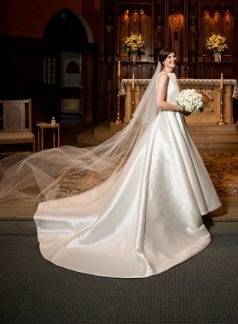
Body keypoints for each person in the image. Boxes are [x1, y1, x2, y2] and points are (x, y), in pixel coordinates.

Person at [0, 50, 221, 277]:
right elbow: (159, 103)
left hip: (176, 125)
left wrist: (185, 108)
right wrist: (181, 108)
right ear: (161, 61)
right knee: (162, 166)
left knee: (179, 166)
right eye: (169, 58)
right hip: (165, 125)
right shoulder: (163, 77)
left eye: (175, 57)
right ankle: (170, 212)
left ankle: (182, 210)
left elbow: (171, 100)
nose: (173, 60)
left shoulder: (173, 77)